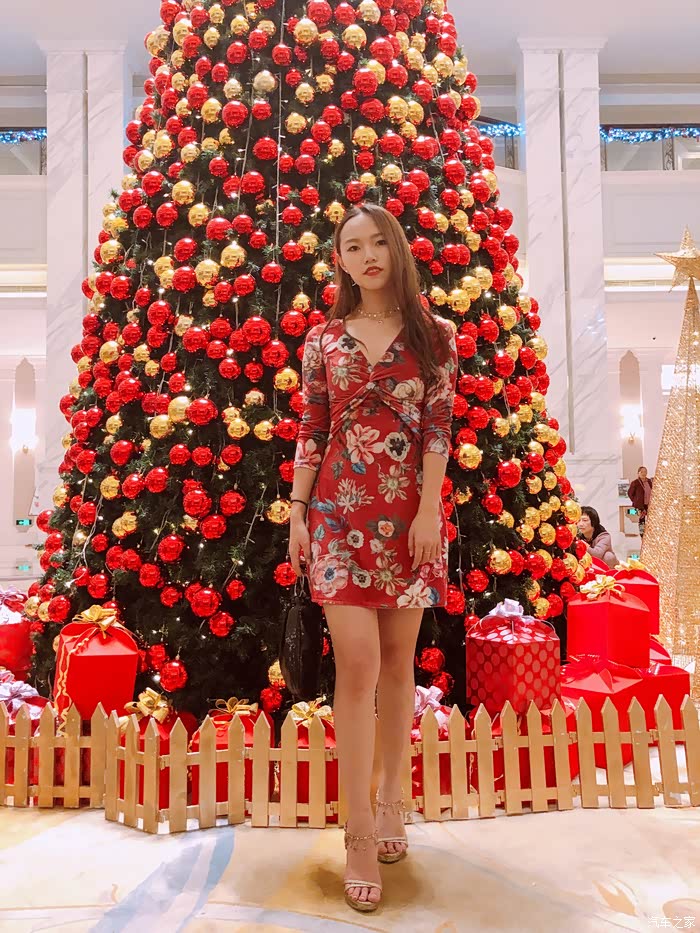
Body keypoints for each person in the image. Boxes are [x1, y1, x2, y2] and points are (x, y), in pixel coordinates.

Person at [288, 203, 458, 913]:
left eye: (377, 242)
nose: (366, 255)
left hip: (410, 517)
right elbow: (312, 425)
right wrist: (298, 510)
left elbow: (439, 427)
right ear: (340, 261)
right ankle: (357, 828)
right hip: (336, 512)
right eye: (351, 246)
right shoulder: (323, 339)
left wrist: (429, 511)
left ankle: (392, 801)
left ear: (396, 250)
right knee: (356, 665)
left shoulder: (435, 335)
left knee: (396, 666)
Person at [627, 466, 653, 536]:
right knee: (642, 520)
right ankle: (642, 534)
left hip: (649, 504)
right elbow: (630, 493)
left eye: (645, 472)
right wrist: (636, 501)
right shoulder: (635, 483)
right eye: (642, 472)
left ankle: (650, 534)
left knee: (651, 520)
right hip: (641, 505)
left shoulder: (649, 481)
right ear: (638, 473)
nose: (644, 473)